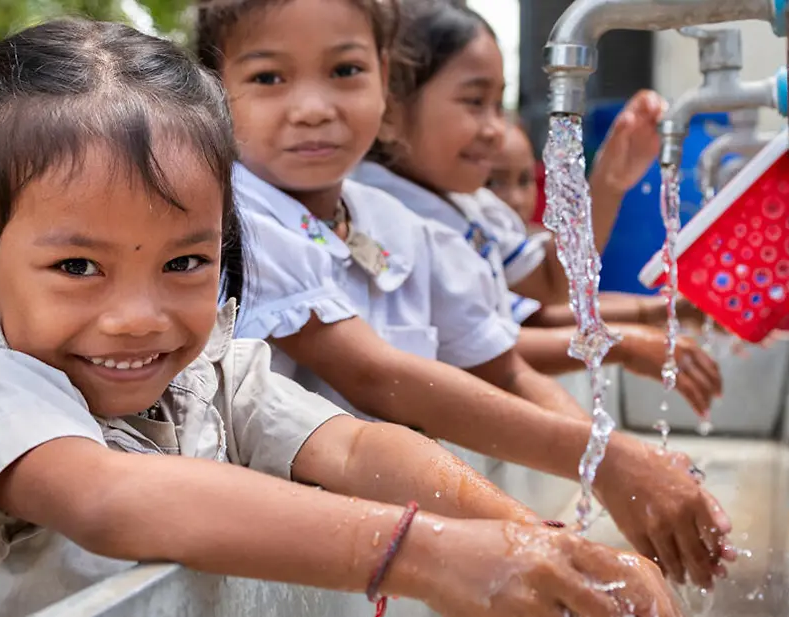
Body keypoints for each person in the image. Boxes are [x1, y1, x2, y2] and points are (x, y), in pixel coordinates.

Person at [0, 18, 679, 617]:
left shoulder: (213, 368)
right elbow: (115, 497)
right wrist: (429, 556)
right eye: (78, 267)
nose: (138, 318)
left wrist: (533, 542)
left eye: (184, 262)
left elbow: (357, 443)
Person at [197, 0, 730, 589]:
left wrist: (612, 469)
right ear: (215, 93)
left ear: (384, 83)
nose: (314, 108)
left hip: (387, 531)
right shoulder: (233, 215)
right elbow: (375, 376)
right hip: (277, 553)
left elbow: (504, 369)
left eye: (345, 71)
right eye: (268, 77)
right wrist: (605, 462)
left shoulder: (397, 225)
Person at [352, 1, 722, 414]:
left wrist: (609, 182)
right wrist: (628, 343)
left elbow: (549, 284)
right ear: (390, 105)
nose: (495, 129)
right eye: (475, 101)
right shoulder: (377, 216)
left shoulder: (468, 206)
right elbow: (485, 350)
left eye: (498, 103)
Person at [487, 120, 708, 330]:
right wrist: (665, 311)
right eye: (493, 182)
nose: (516, 199)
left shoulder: (530, 239)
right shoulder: (472, 240)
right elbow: (540, 320)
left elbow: (572, 300)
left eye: (525, 180)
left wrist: (670, 308)